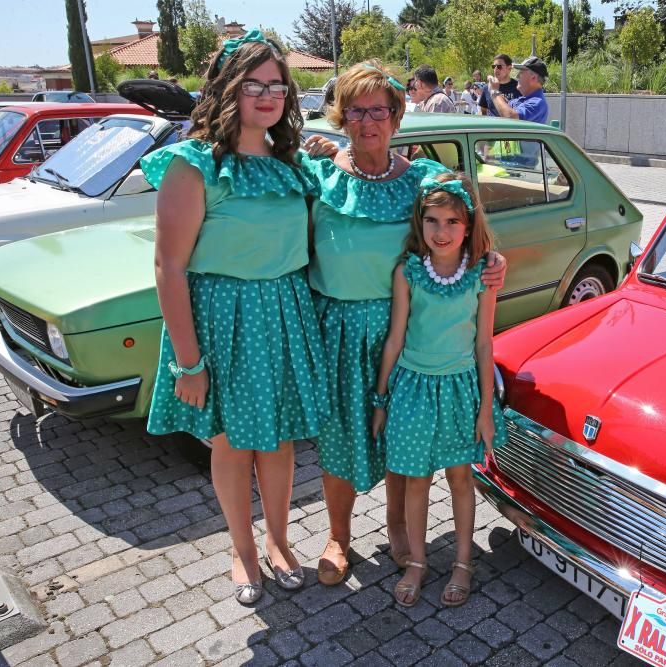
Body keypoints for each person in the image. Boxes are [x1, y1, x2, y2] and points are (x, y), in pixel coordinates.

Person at [299, 60, 507, 587]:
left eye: (379, 111)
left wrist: (492, 259)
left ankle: (397, 527)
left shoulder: (420, 179)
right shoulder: (319, 174)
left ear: (396, 116)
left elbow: (464, 216)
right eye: (355, 111)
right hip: (340, 328)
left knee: (400, 433)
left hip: (405, 329)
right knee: (340, 435)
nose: (368, 121)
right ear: (340, 117)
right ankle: (338, 536)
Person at [141, 30, 326, 605]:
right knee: (232, 445)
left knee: (279, 445)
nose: (268, 96)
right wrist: (189, 362)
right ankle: (242, 551)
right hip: (224, 322)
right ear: (227, 90)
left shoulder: (293, 164)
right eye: (254, 85)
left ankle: (278, 541)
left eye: (276, 85)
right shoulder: (193, 164)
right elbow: (169, 269)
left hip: (284, 312)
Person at [372, 171, 507, 607]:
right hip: (412, 387)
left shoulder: (481, 274)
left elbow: (484, 344)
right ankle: (417, 560)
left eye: (452, 222)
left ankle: (463, 562)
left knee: (460, 478)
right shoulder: (408, 271)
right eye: (432, 221)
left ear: (468, 225)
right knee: (415, 479)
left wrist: (486, 408)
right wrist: (380, 398)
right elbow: (395, 337)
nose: (441, 231)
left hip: (458, 390)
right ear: (420, 223)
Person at [486, 55, 549, 125]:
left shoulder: (537, 103)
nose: (517, 76)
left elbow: (510, 118)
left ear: (533, 78)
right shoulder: (523, 100)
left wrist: (494, 92)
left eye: (521, 72)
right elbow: (503, 110)